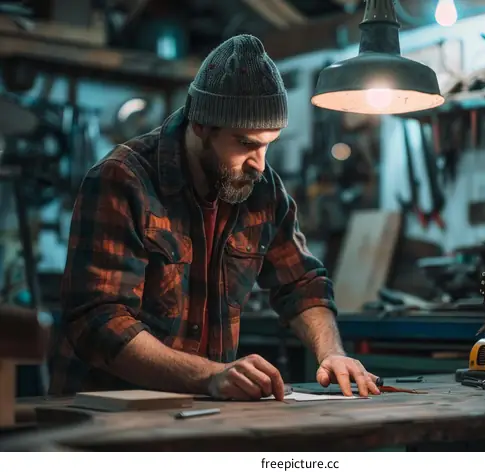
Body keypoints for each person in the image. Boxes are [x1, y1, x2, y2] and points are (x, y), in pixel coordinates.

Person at [48, 34, 381, 401]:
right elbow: (98, 321)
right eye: (246, 143)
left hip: (203, 416)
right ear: (202, 125)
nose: (259, 164)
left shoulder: (263, 188)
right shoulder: (123, 179)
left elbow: (302, 282)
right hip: (106, 419)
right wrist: (209, 376)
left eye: (268, 144)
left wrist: (331, 352)